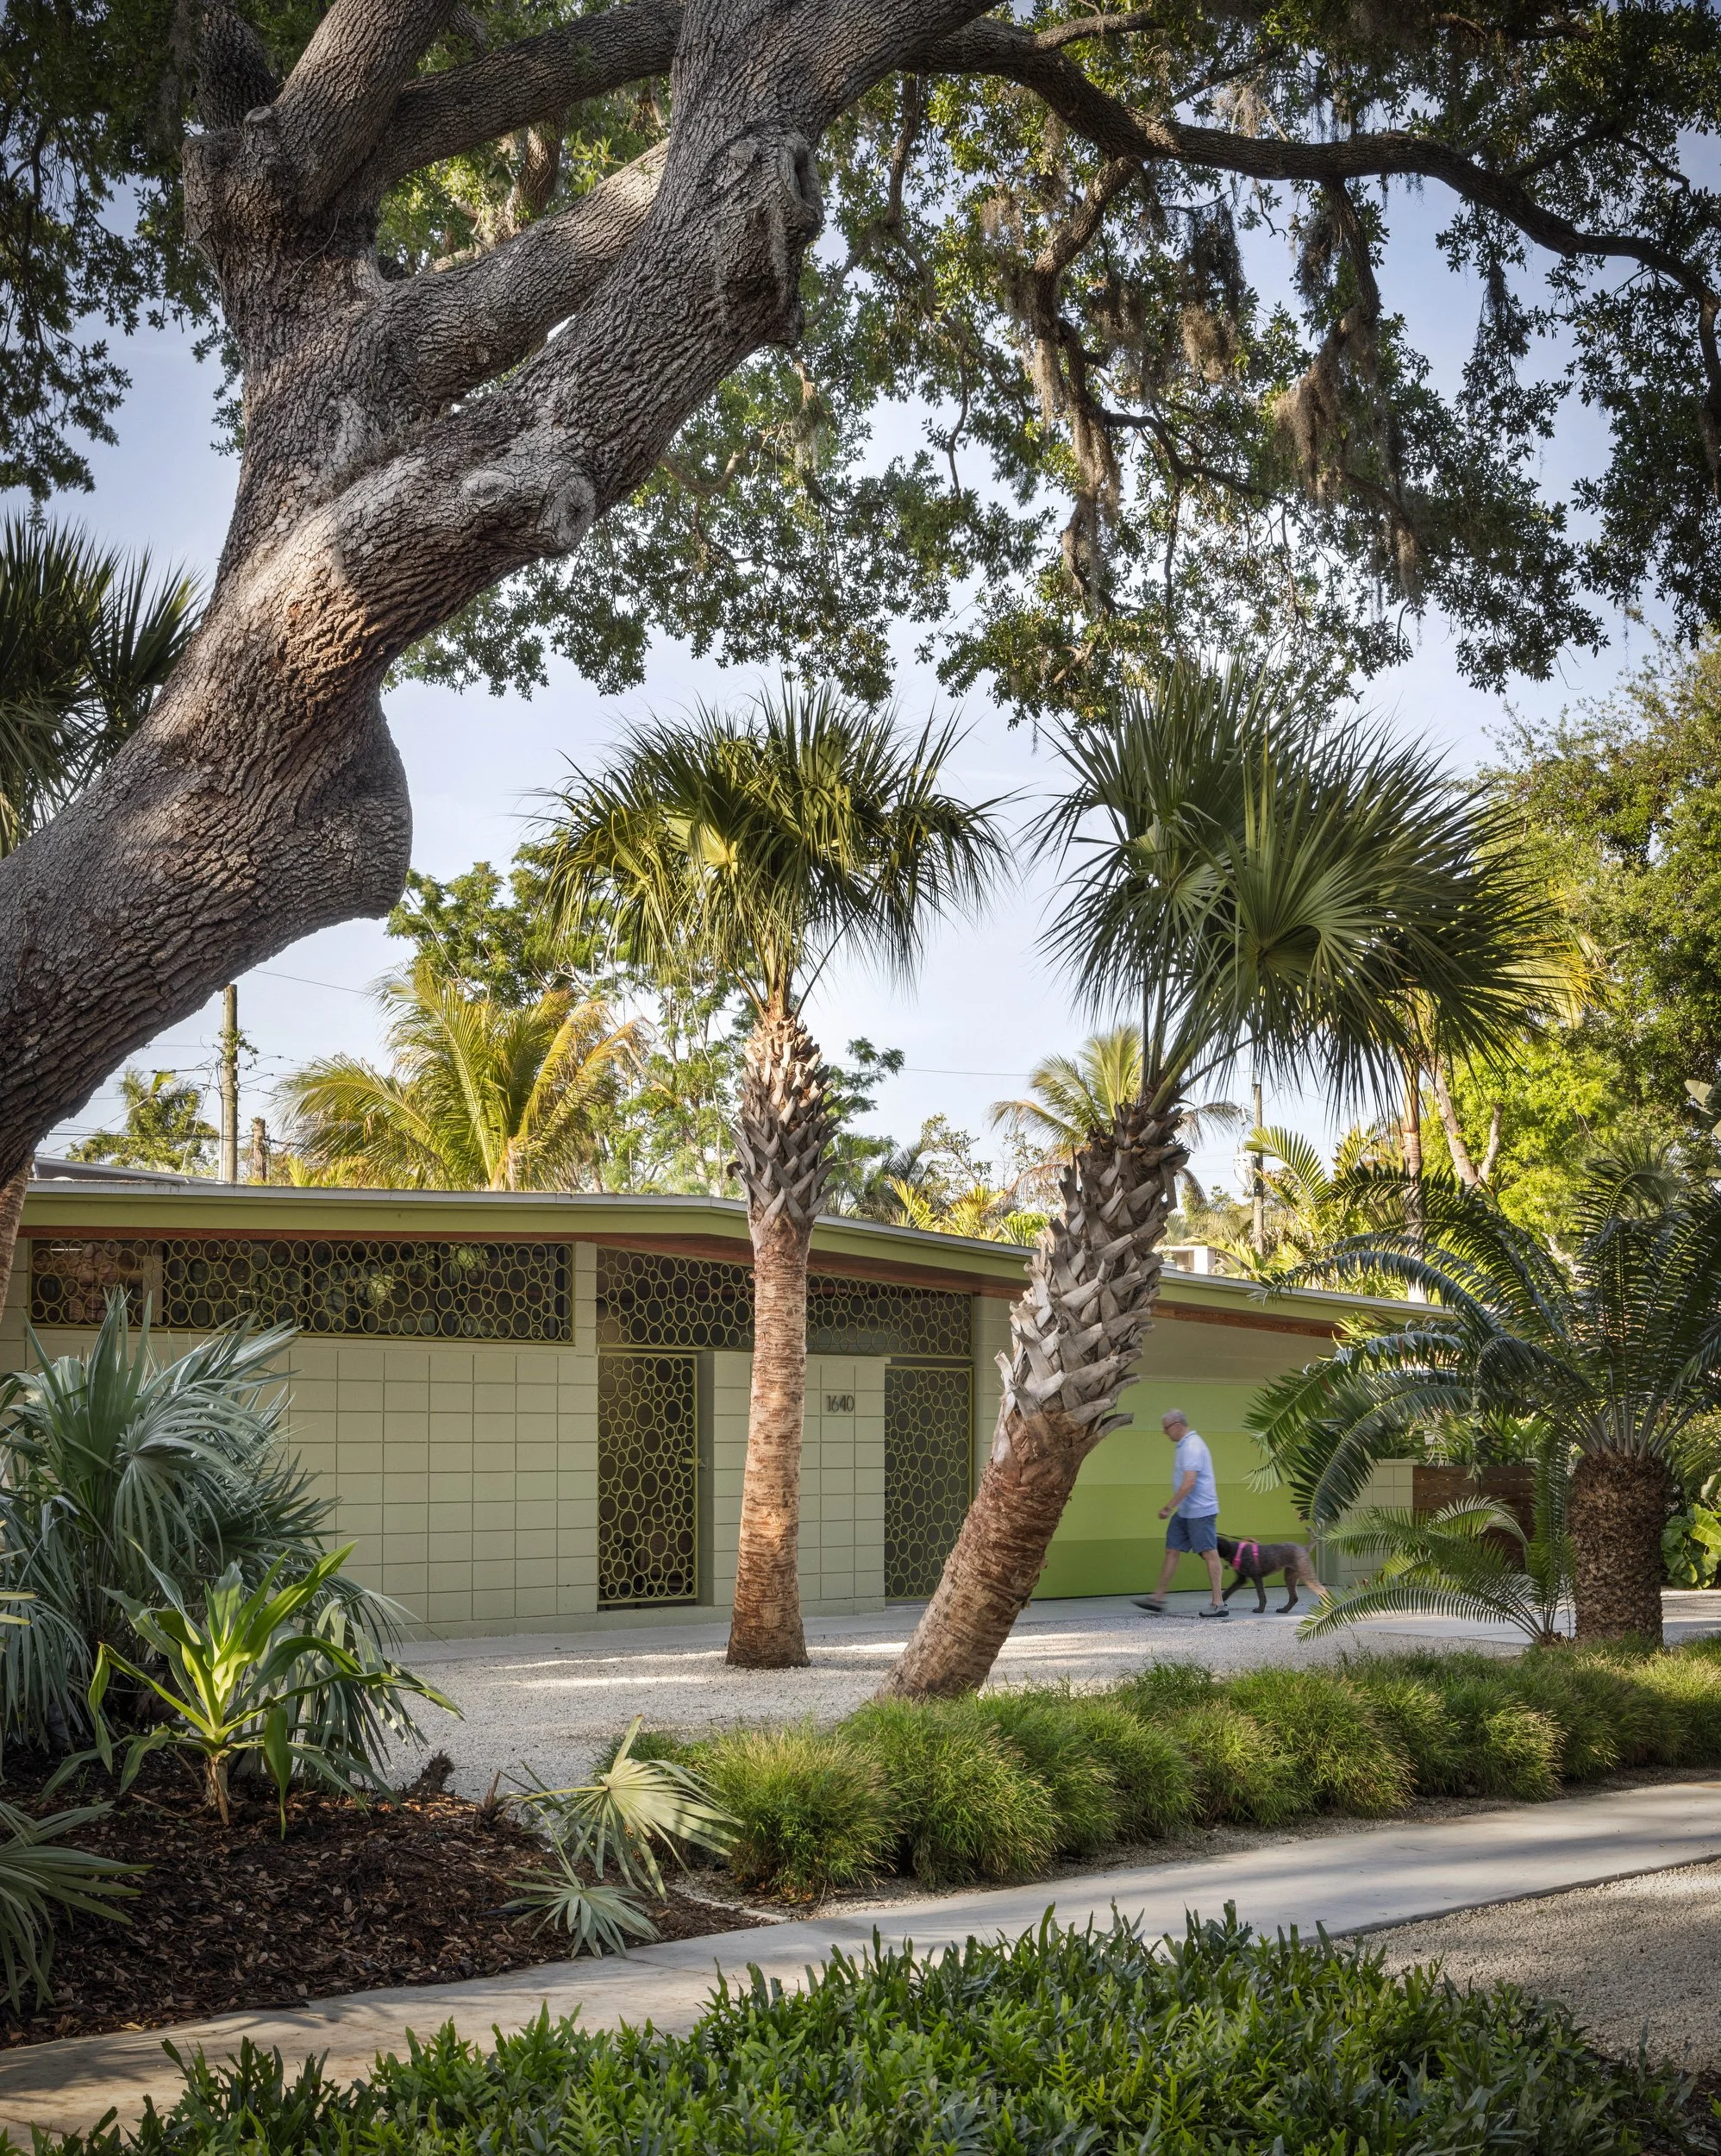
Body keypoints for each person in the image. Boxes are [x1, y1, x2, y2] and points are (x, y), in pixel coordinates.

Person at [1134, 1409, 1228, 1617]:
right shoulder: (1184, 1445)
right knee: (1172, 1549)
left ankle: (1218, 1603)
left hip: (1200, 1511)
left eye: (1166, 1428)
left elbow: (1189, 1483)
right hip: (1185, 1511)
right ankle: (1158, 1598)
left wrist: (1168, 1507)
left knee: (1209, 1553)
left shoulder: (1193, 1446)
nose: (1165, 1433)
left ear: (1177, 1425)